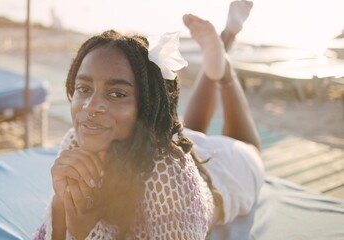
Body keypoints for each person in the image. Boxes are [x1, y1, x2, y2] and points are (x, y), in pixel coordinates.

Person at [34, 1, 263, 239]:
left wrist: (81, 232)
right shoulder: (74, 143)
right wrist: (61, 204)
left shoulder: (170, 179)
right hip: (166, 144)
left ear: (146, 106)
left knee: (250, 146)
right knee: (186, 132)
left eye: (116, 94)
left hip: (226, 171)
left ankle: (224, 67)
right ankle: (220, 53)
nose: (90, 107)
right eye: (83, 88)